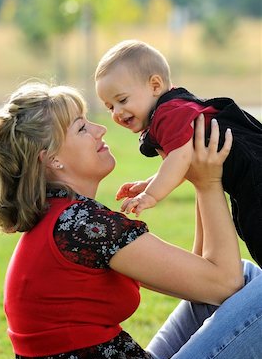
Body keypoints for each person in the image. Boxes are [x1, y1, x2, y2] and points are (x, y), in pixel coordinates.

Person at [0, 81, 262, 359]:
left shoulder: (61, 220)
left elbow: (208, 282)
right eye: (82, 127)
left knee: (247, 279)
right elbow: (223, 282)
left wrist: (194, 174)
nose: (101, 129)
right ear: (52, 158)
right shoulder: (82, 226)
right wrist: (208, 183)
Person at [95, 39, 262, 268]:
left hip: (253, 171)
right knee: (249, 227)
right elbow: (183, 162)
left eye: (122, 100)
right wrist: (148, 183)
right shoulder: (171, 109)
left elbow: (180, 158)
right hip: (247, 175)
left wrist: (151, 195)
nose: (117, 112)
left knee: (255, 227)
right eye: (110, 107)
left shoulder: (168, 114)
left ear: (155, 86)